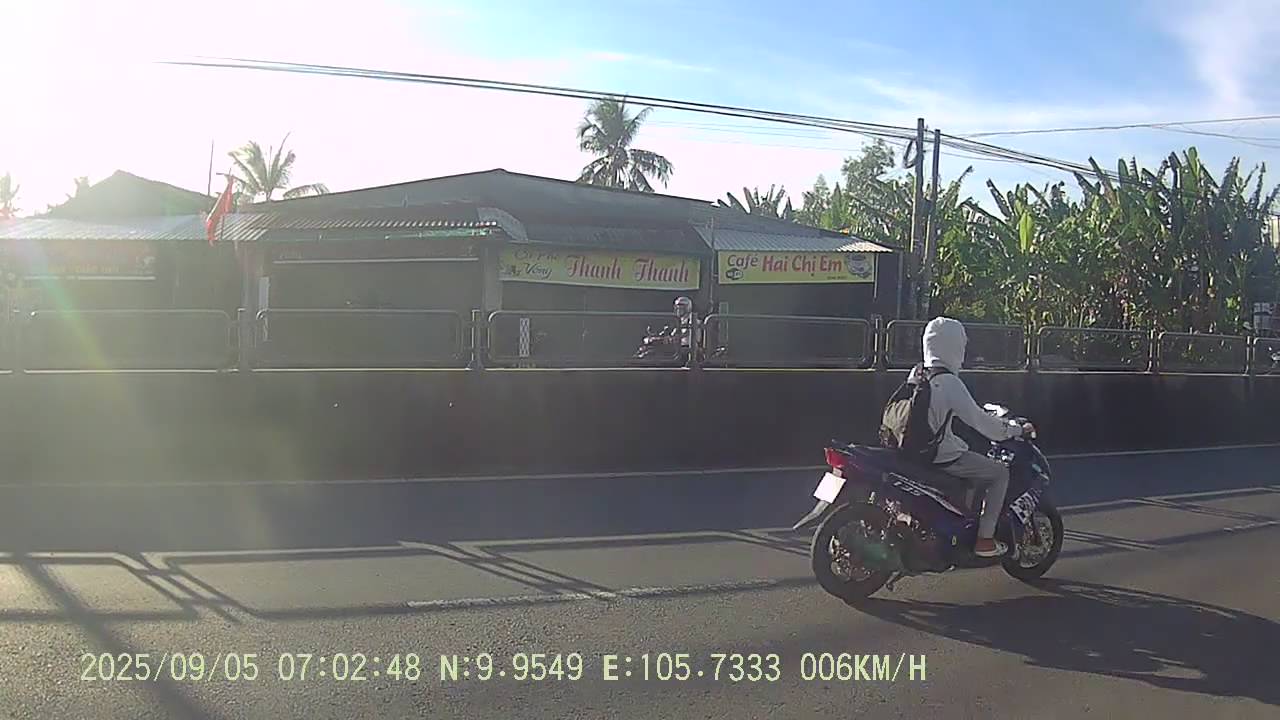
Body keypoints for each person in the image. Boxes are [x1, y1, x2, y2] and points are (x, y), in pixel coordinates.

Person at [911, 317, 1035, 557]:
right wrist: (1017, 430)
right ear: (953, 346)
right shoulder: (949, 382)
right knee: (999, 473)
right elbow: (983, 424)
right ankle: (985, 539)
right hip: (939, 456)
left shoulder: (918, 373)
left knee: (968, 453)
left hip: (912, 451)